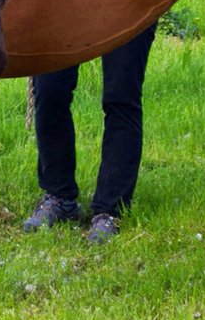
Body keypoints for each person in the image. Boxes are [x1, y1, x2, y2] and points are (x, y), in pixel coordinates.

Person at [22, 22, 158, 243]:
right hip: (64, 6)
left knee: (121, 98)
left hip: (128, 5)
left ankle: (110, 210)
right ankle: (59, 196)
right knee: (49, 91)